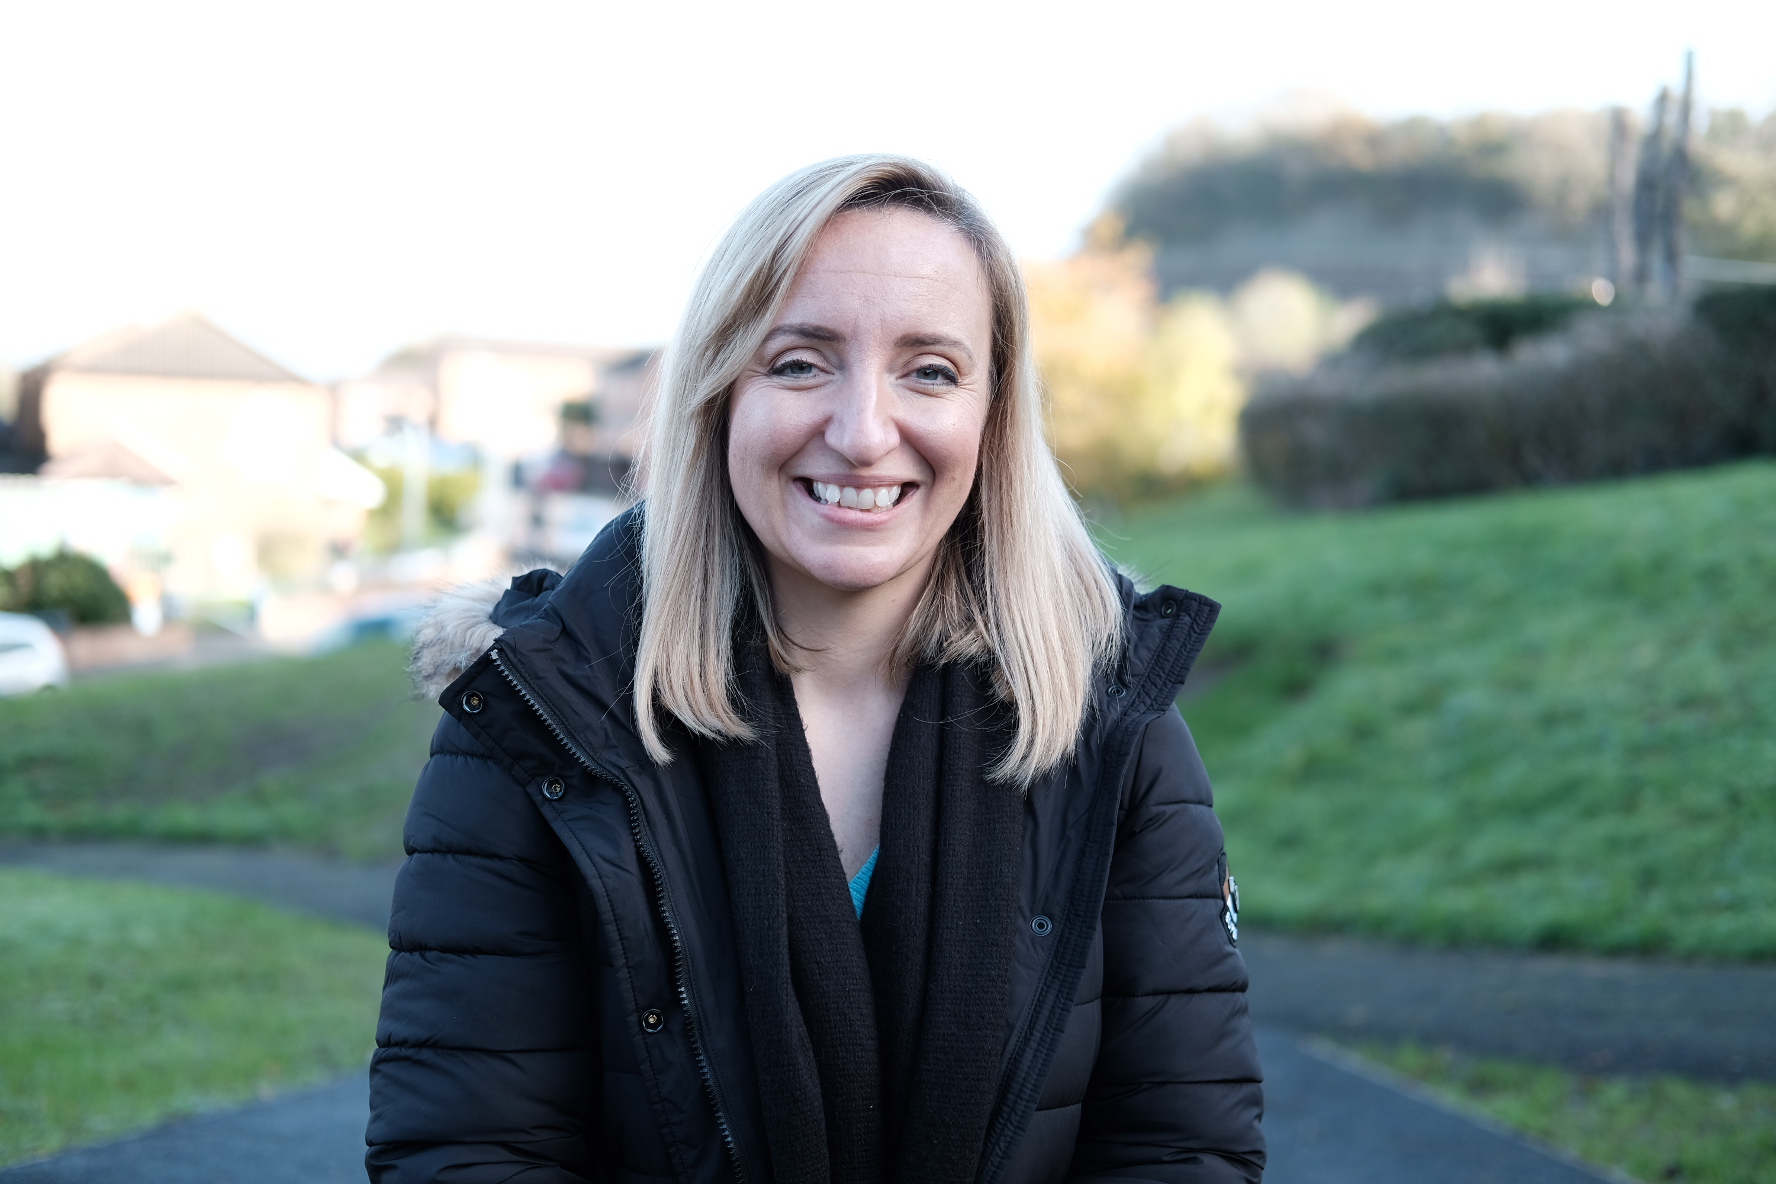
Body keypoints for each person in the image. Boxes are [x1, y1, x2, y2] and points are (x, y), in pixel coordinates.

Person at [368, 155, 1264, 1184]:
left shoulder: (1110, 717)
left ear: (993, 414)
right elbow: (470, 1151)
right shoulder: (543, 718)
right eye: (800, 362)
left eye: (930, 369)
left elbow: (1183, 1146)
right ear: (719, 392)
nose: (863, 431)